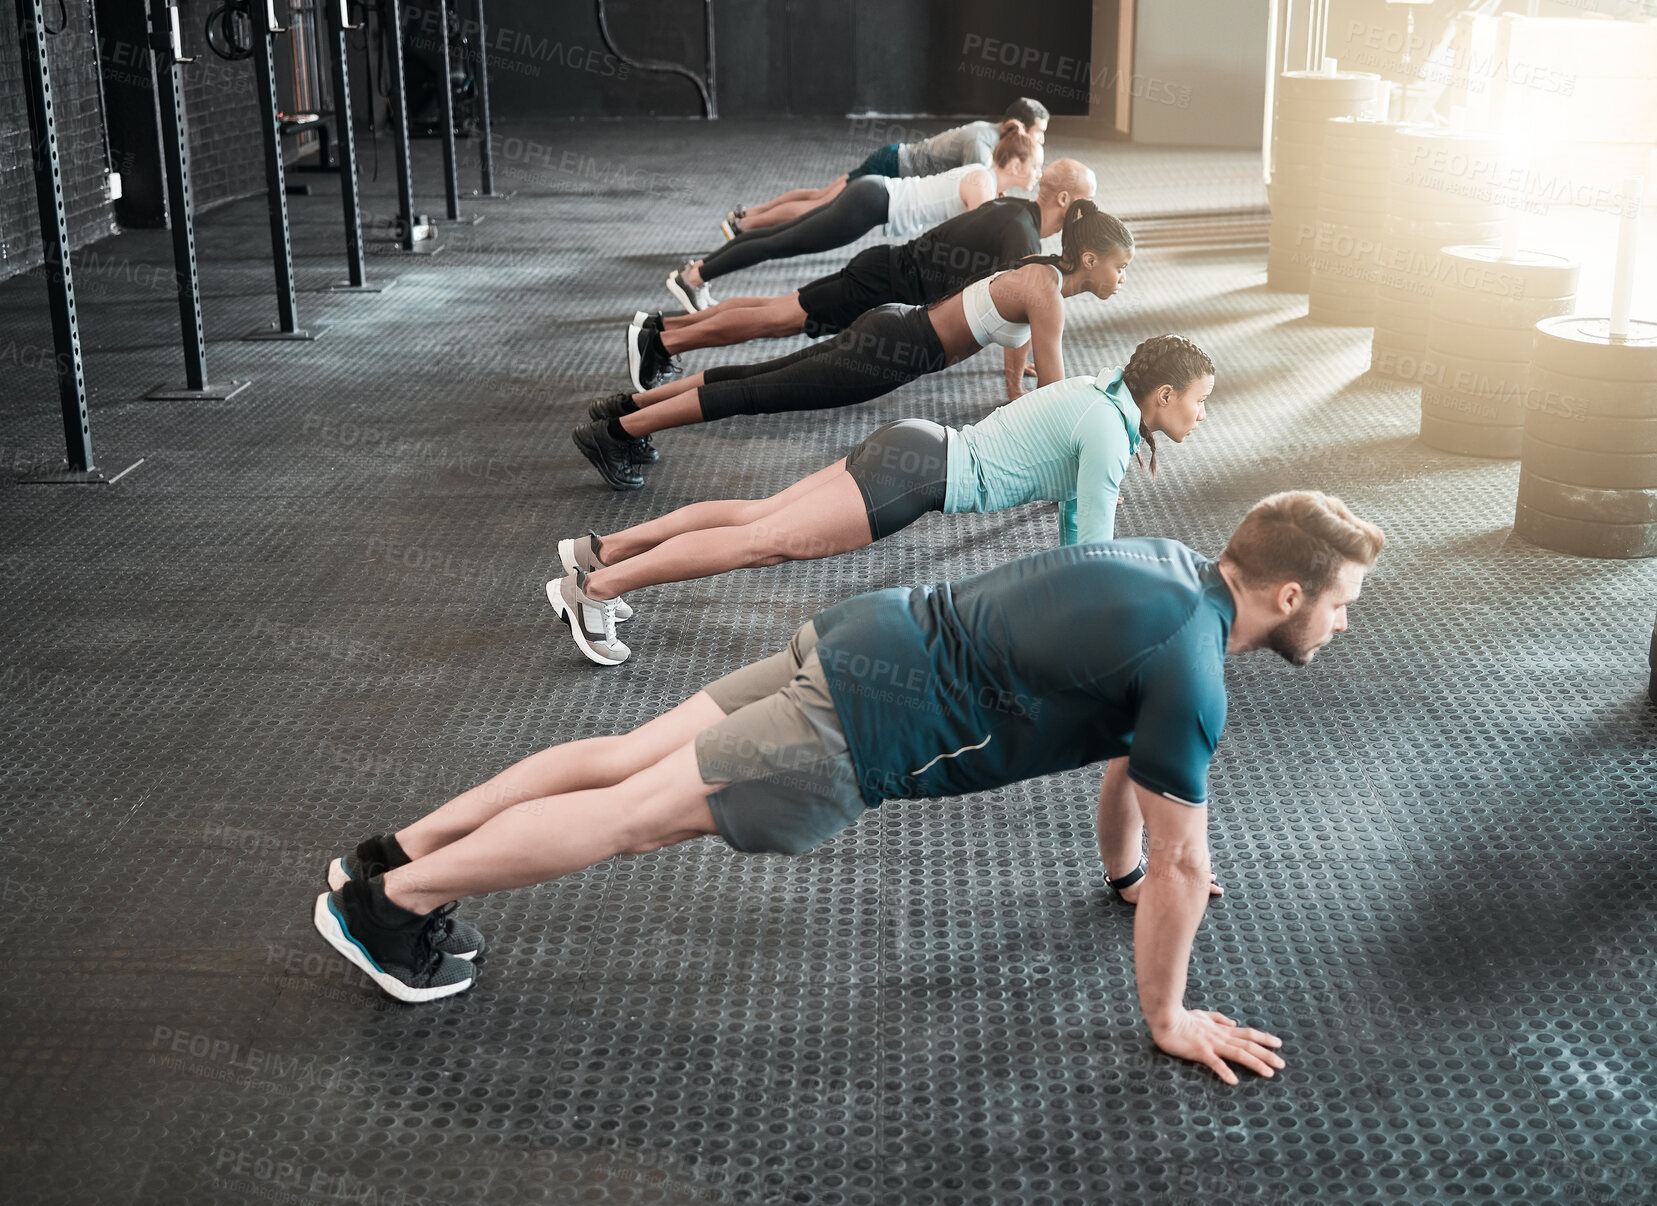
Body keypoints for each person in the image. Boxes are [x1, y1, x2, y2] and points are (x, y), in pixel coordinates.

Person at [312, 490, 1386, 1088]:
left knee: (619, 753)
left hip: (861, 636)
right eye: (1339, 605)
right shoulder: (1195, 673)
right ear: (1286, 593)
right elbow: (1189, 860)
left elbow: (1137, 790)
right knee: (629, 820)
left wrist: (1126, 878)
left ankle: (394, 852)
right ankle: (388, 908)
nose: (1340, 625)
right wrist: (1169, 1013)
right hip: (860, 726)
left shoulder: (1168, 564)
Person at [551, 336, 1214, 666]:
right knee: (762, 541)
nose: (1202, 416)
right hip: (915, 479)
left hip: (915, 447)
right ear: (1162, 396)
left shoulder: (1100, 399)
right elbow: (1088, 557)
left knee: (758, 516)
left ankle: (597, 552)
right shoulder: (1107, 431)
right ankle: (597, 589)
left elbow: (1078, 533)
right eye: (1199, 401)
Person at [575, 200, 1135, 491]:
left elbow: (1024, 345)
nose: (1123, 279)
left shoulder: (1039, 269)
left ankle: (623, 410)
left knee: (756, 378)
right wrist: (1094, 454)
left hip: (895, 326)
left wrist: (1021, 380)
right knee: (756, 392)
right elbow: (1057, 401)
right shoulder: (1048, 292)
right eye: (1121, 268)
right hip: (894, 350)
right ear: (1089, 260)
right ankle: (616, 434)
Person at [625, 159, 1098, 393]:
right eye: (1086, 202)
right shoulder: (1023, 236)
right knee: (774, 319)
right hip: (882, 283)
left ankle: (662, 330)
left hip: (885, 273)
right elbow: (1019, 314)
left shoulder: (1016, 211)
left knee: (775, 311)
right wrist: (1015, 389)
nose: (1090, 212)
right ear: (1063, 201)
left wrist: (1017, 378)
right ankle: (665, 344)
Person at [664, 123, 1041, 315]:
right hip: (871, 202)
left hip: (872, 198)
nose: (1038, 174)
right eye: (1035, 166)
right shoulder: (981, 181)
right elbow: (973, 233)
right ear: (1016, 162)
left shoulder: (985, 179)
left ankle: (698, 271)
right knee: (782, 241)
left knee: (782, 235)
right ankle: (694, 277)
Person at [727, 98, 1052, 237]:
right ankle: (745, 227)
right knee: (823, 204)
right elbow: (978, 202)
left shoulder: (993, 136)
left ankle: (748, 215)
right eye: (1040, 132)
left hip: (892, 161)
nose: (1042, 139)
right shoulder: (982, 143)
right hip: (893, 170)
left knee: (821, 194)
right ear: (1018, 126)